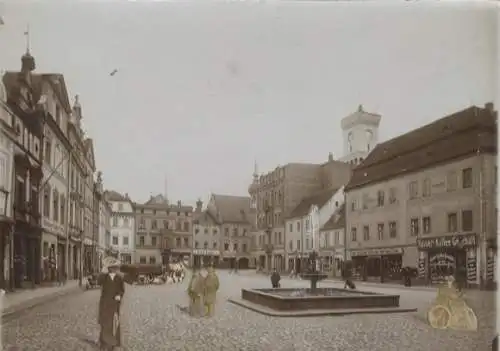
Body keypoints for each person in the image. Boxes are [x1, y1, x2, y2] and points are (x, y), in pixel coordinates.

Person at [98, 257, 125, 351]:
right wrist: (102, 270)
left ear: (116, 268)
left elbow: (122, 290)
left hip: (115, 303)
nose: (112, 269)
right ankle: (104, 342)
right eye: (110, 267)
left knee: (115, 322)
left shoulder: (119, 278)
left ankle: (115, 343)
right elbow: (99, 281)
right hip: (105, 303)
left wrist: (119, 296)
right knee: (105, 322)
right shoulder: (104, 277)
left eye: (114, 267)